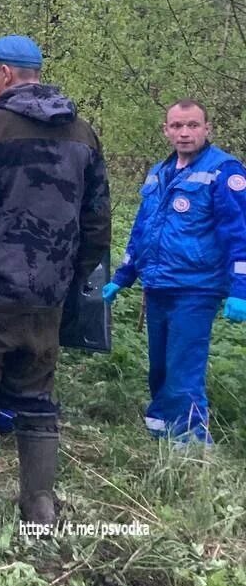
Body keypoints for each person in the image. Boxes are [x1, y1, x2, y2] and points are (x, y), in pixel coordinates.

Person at [0, 35, 111, 523]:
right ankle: (39, 509)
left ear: (7, 74)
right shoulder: (84, 134)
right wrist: (68, 280)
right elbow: (97, 225)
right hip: (46, 297)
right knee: (37, 399)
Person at [103, 100, 246, 444]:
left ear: (207, 129)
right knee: (160, 366)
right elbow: (143, 230)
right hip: (158, 285)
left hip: (196, 288)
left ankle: (191, 446)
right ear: (166, 130)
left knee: (184, 367)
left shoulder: (223, 172)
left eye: (193, 125)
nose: (185, 133)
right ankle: (160, 432)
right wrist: (122, 278)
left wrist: (241, 289)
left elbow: (239, 233)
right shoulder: (159, 172)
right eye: (177, 126)